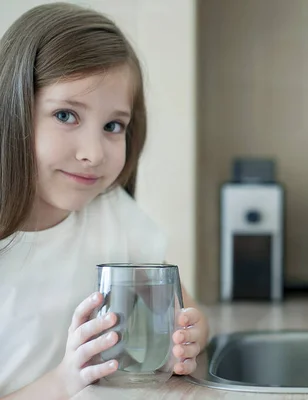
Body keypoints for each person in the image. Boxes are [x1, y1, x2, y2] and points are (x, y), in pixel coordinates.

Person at [0, 2, 209, 398]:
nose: (93, 154)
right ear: (12, 109)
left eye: (113, 126)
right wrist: (62, 381)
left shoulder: (110, 213)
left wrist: (192, 336)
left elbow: (185, 309)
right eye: (66, 116)